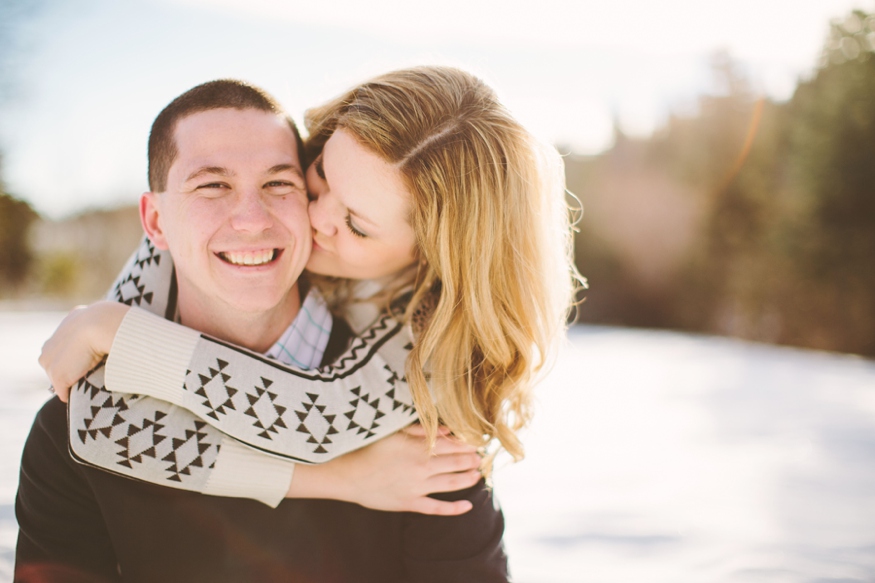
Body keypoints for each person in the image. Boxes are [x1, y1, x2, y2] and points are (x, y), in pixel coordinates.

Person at [17, 76, 518, 582]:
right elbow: (100, 431)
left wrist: (121, 332)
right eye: (212, 186)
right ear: (155, 222)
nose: (254, 220)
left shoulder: (424, 419)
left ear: (424, 255)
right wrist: (113, 326)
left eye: (280, 182)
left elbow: (319, 413)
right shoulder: (69, 428)